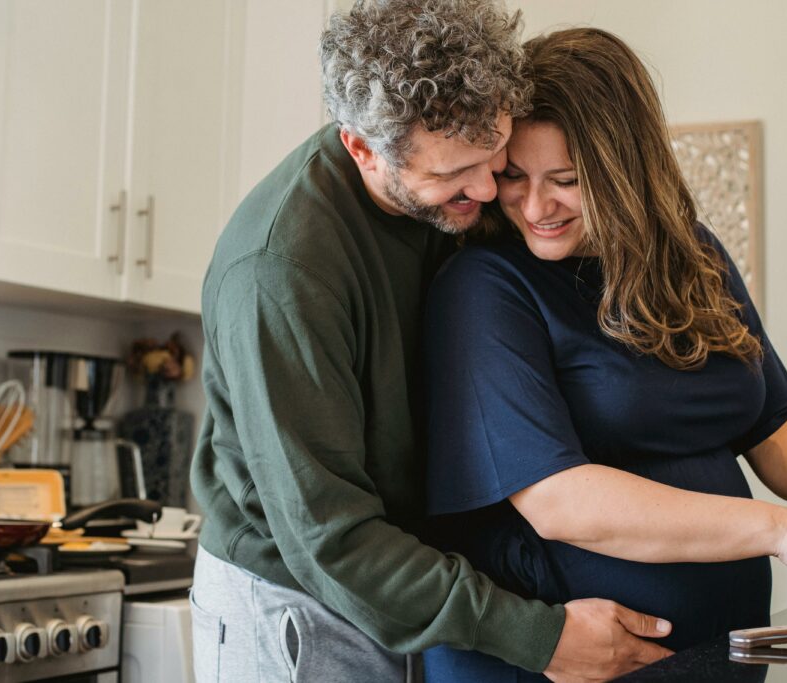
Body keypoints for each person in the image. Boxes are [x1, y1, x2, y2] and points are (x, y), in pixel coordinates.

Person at [422, 27, 787, 682]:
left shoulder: (690, 252)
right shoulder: (485, 287)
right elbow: (560, 499)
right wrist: (786, 530)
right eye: (513, 177)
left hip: (714, 657)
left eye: (566, 179)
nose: (534, 205)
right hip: (561, 666)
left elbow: (772, 418)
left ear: (624, 172)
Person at [189, 4, 675, 682]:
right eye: (455, 173)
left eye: (493, 156)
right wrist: (540, 636)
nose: (485, 188)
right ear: (362, 147)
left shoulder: (451, 197)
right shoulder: (281, 274)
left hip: (413, 585)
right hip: (301, 605)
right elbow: (332, 539)